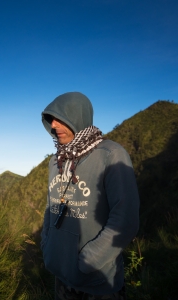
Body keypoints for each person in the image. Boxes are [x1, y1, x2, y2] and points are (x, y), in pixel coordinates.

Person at [40, 92, 140, 299]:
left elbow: (125, 219)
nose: (54, 126)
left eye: (60, 118)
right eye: (51, 120)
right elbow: (51, 206)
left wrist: (87, 261)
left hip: (98, 283)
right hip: (61, 277)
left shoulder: (111, 155)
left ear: (78, 117)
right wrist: (48, 247)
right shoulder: (56, 160)